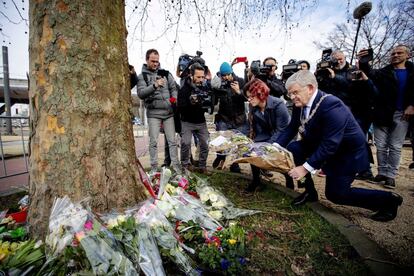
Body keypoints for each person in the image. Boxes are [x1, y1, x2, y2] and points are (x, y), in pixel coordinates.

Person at [276, 70, 403, 222]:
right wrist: (275, 146)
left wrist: (304, 168)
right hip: (323, 144)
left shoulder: (332, 105)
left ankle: (388, 200)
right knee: (294, 149)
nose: (291, 97)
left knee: (336, 194)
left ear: (310, 88)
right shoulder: (300, 103)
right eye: (290, 93)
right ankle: (309, 191)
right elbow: (292, 127)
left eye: (295, 92)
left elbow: (331, 144)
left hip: (346, 153)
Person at [359, 45, 414, 188]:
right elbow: (369, 73)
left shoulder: (412, 72)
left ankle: (391, 176)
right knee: (381, 145)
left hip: (402, 114)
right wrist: (364, 61)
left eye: (399, 53)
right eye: (393, 53)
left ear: (408, 55)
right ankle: (382, 172)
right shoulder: (384, 72)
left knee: (395, 146)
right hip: (382, 113)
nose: (395, 55)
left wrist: (412, 105)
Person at [243, 78, 292, 192]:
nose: (249, 100)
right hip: (267, 133)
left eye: (251, 96)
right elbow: (250, 125)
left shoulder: (278, 104)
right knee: (253, 150)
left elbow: (281, 129)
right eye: (248, 97)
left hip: (285, 134)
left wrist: (267, 146)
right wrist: (244, 140)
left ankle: (289, 180)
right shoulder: (253, 106)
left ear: (261, 93)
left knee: (281, 158)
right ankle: (256, 180)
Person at [137, 49, 180, 172]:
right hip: (153, 114)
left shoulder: (165, 73)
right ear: (147, 60)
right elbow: (140, 93)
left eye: (157, 61)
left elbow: (173, 88)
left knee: (172, 141)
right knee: (153, 142)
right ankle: (154, 168)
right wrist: (154, 85)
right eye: (152, 61)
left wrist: (174, 99)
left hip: (168, 113)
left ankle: (176, 168)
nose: (155, 64)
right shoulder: (142, 76)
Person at [211, 62, 246, 172]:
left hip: (238, 119)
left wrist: (238, 92)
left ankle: (234, 165)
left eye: (227, 74)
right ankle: (220, 158)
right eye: (223, 75)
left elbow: (247, 98)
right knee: (221, 141)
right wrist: (214, 89)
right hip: (224, 117)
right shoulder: (220, 83)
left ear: (231, 72)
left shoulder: (240, 81)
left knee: (236, 144)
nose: (226, 77)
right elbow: (214, 101)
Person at [177, 63, 210, 174]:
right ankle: (185, 166)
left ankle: (202, 166)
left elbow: (211, 103)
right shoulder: (184, 89)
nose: (201, 79)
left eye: (202, 77)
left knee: (205, 143)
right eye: (198, 77)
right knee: (185, 143)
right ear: (191, 76)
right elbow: (180, 107)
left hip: (201, 121)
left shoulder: (206, 87)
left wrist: (207, 102)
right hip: (187, 121)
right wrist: (190, 102)